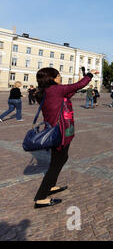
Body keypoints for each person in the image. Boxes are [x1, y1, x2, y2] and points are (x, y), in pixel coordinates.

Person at [33, 67, 98, 208]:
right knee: (56, 163)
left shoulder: (46, 92)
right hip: (59, 132)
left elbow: (68, 92)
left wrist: (82, 80)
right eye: (58, 75)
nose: (60, 77)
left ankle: (51, 186)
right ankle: (41, 197)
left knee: (61, 159)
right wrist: (89, 75)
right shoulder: (55, 90)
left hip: (56, 130)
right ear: (52, 78)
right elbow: (77, 85)